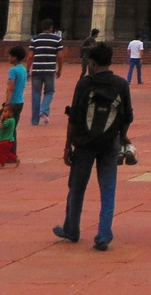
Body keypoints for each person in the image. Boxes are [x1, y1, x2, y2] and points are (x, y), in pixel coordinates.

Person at [54, 42, 133, 251]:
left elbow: (74, 117)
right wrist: (123, 136)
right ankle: (104, 235)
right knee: (108, 190)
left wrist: (67, 146)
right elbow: (127, 116)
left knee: (77, 188)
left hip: (84, 143)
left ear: (92, 62)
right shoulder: (121, 84)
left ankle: (71, 229)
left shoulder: (85, 84)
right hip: (109, 143)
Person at [28, 21, 64, 124]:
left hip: (36, 70)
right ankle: (43, 110)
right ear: (51, 28)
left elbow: (30, 56)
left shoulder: (35, 39)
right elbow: (60, 56)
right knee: (49, 92)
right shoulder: (57, 39)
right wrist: (60, 69)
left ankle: (35, 120)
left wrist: (27, 69)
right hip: (49, 70)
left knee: (36, 94)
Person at [0, 45, 27, 165]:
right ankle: (11, 155)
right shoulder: (23, 69)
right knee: (12, 129)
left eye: (10, 56)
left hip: (13, 102)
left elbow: (11, 87)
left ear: (15, 58)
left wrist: (7, 103)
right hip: (20, 101)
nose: (9, 58)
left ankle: (5, 154)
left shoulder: (13, 70)